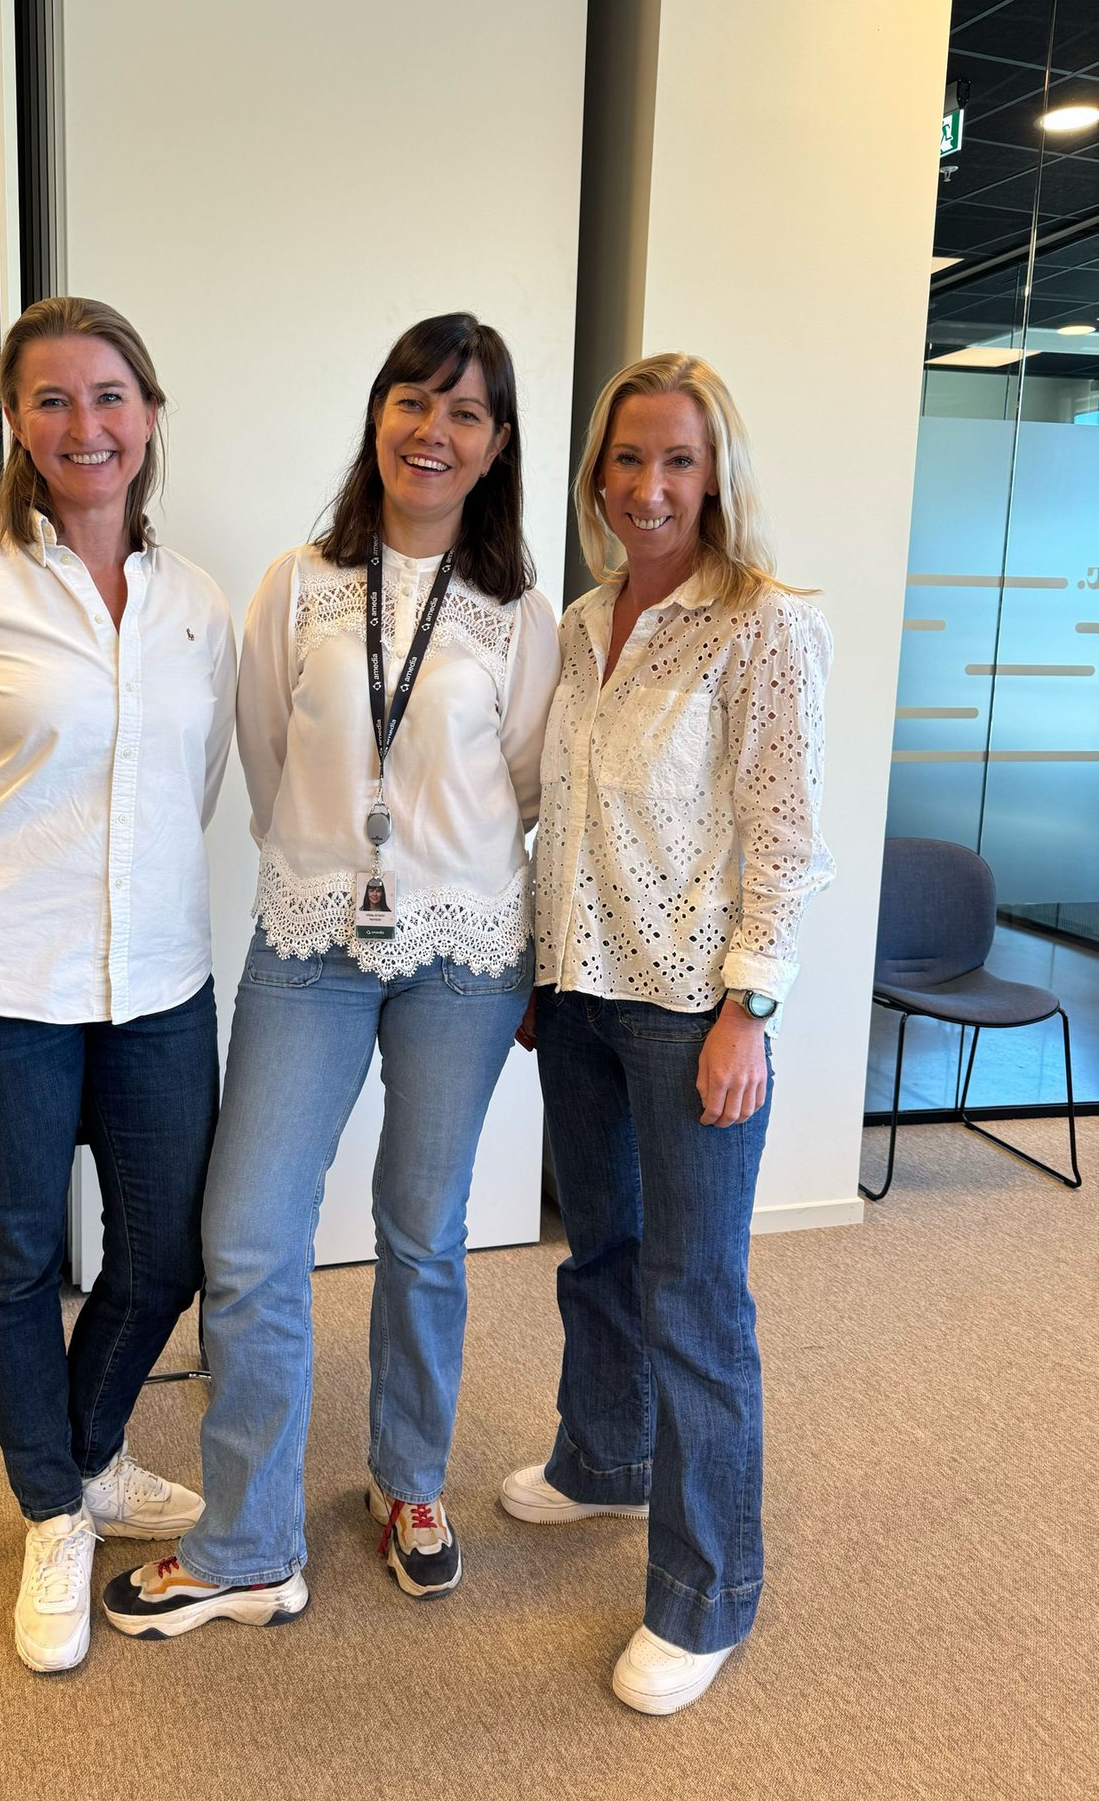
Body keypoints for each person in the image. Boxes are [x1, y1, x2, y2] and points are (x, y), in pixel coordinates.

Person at [101, 311, 560, 1638]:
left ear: (496, 447)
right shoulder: (298, 585)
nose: (436, 428)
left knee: (424, 1231)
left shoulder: (516, 617)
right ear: (379, 416)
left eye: (467, 412)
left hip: (465, 959)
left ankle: (410, 1481)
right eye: (416, 398)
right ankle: (248, 1541)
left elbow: (524, 791)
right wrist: (338, 849)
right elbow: (257, 751)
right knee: (246, 1236)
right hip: (309, 945)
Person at [0, 296, 236, 1673]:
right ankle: (54, 1514)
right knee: (12, 1263)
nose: (89, 425)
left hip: (159, 990)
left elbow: (189, 794)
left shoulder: (197, 606)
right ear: (16, 420)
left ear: (150, 414)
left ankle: (83, 1451)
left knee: (164, 1252)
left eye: (113, 394)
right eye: (55, 399)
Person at [502, 354, 833, 1715]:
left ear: (718, 475)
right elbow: (560, 816)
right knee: (603, 1257)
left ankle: (706, 1597)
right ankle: (603, 1458)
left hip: (694, 1005)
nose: (649, 486)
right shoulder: (580, 624)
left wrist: (748, 1009)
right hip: (581, 993)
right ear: (596, 476)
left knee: (695, 1300)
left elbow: (786, 831)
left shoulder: (763, 623)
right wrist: (539, 966)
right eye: (627, 460)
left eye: (678, 462)